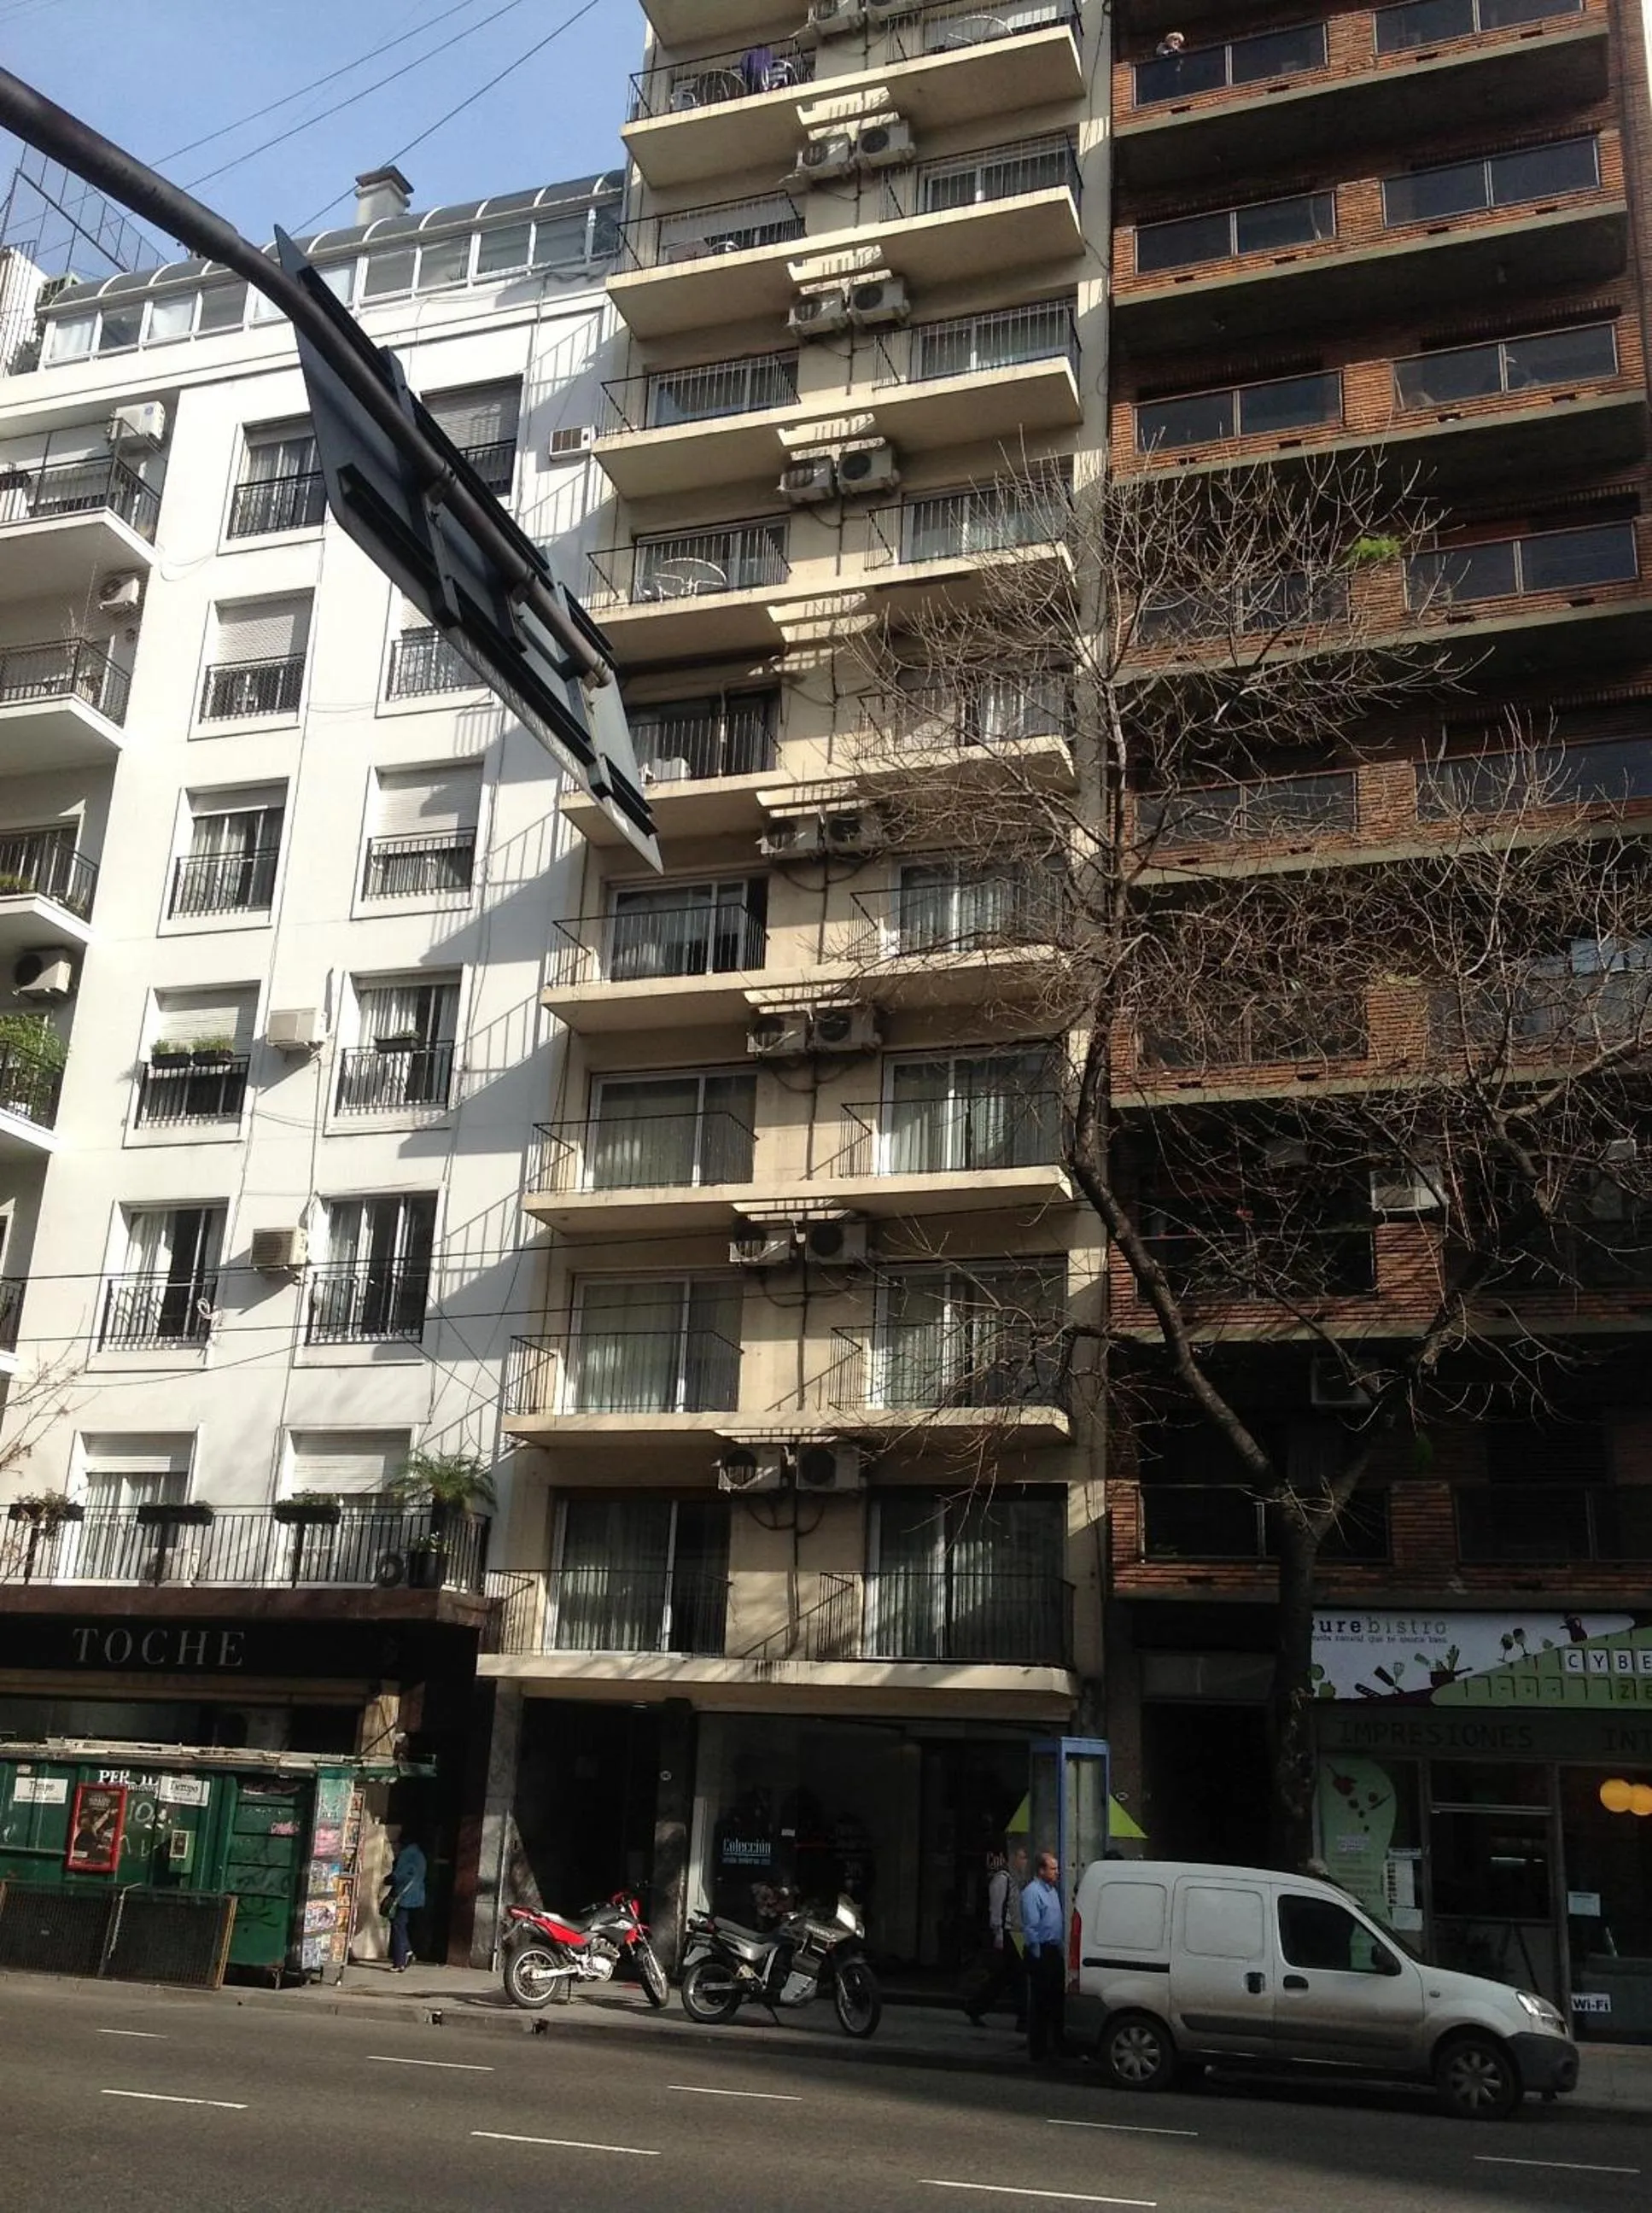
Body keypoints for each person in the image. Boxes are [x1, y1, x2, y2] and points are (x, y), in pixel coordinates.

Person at [965, 1844, 1027, 2029]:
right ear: (1013, 1858)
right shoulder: (1002, 1879)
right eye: (1022, 1857)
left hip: (1015, 1934)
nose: (1025, 1862)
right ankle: (1022, 2017)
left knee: (1003, 1978)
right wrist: (999, 1934)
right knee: (1016, 1977)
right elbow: (996, 1909)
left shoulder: (1018, 1880)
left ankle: (976, 2007)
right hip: (1006, 1935)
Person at [1021, 1848, 1066, 2063]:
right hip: (1041, 1951)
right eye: (1053, 1868)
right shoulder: (1032, 1892)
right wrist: (1037, 1956)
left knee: (1055, 2000)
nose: (1057, 1872)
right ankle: (1037, 2049)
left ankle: (1055, 2044)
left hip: (1054, 1949)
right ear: (1041, 1870)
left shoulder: (1052, 1891)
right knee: (1040, 2002)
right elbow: (1031, 1927)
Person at [386, 1833, 427, 1973]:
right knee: (401, 1924)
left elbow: (399, 1875)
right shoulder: (420, 1855)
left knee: (398, 1925)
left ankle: (399, 1961)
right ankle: (407, 1951)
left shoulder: (406, 1854)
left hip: (403, 1896)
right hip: (416, 1896)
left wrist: (387, 1880)